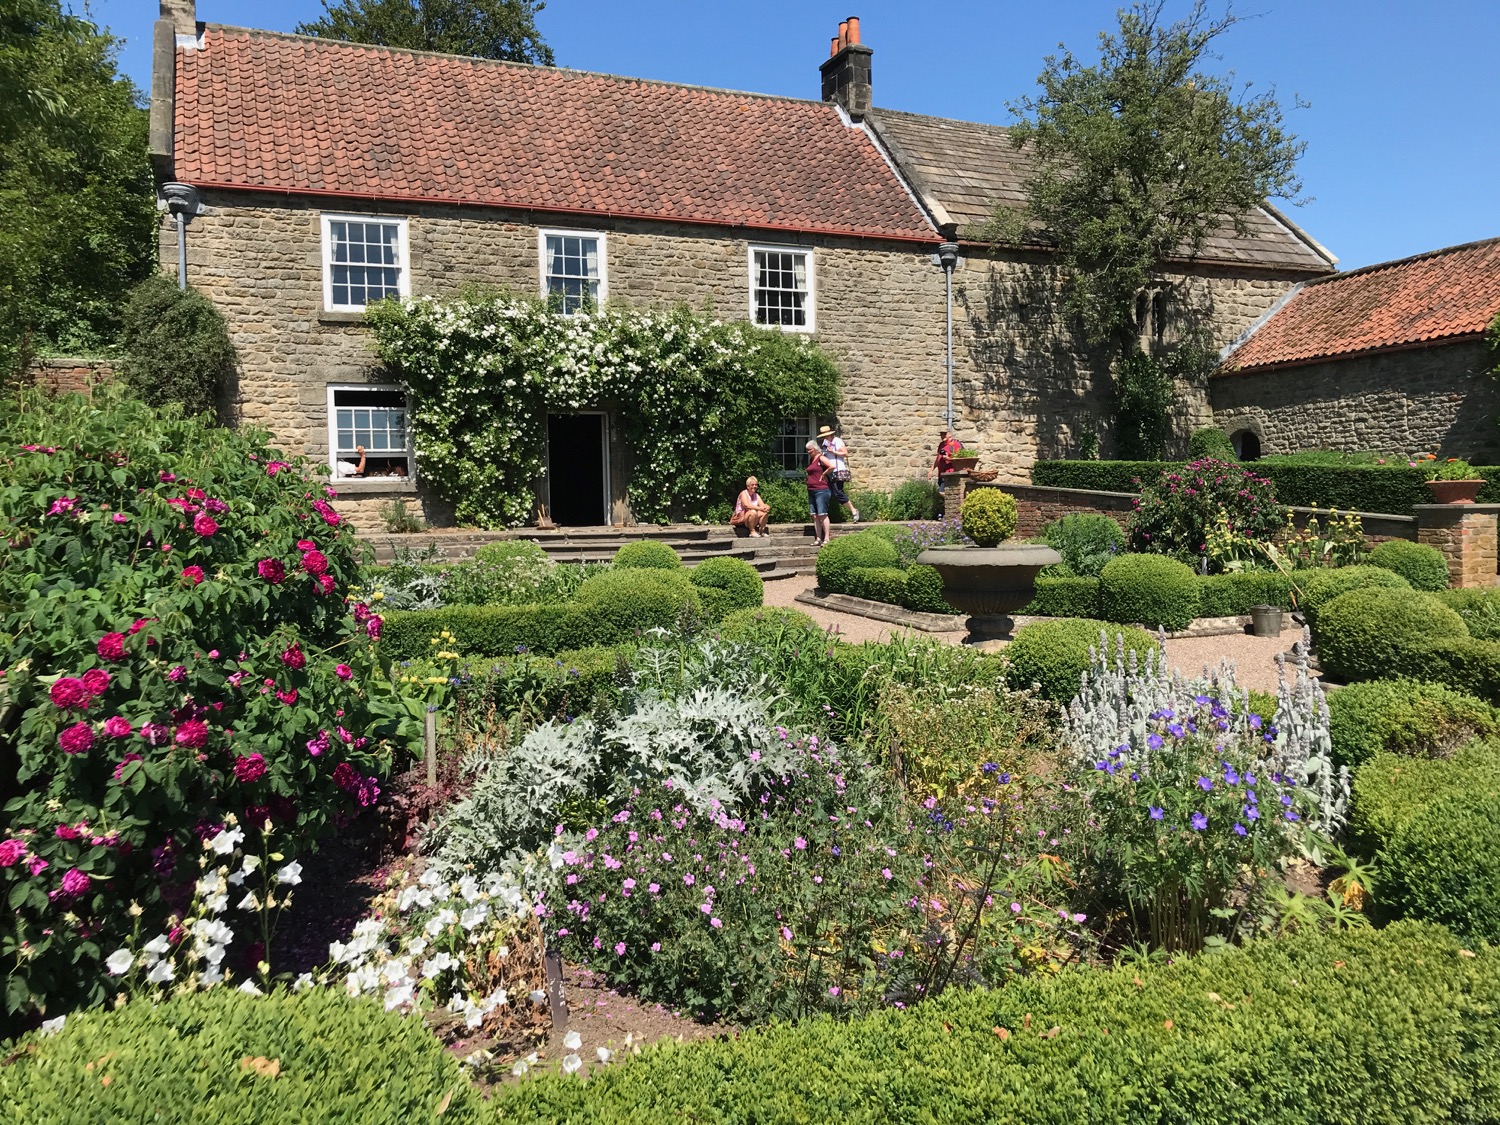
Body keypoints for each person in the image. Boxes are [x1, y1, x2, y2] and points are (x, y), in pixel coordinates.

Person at [817, 423, 860, 523]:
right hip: (829, 471)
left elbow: (845, 453)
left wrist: (834, 452)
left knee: (838, 492)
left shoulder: (837, 441)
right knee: (827, 492)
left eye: (825, 436)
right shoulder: (825, 443)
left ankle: (854, 510)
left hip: (838, 470)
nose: (824, 438)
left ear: (830, 434)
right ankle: (824, 516)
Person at [805, 439, 835, 546]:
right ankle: (818, 538)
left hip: (821, 490)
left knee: (822, 514)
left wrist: (824, 474)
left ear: (815, 448)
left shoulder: (820, 457)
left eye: (810, 450)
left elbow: (832, 466)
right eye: (807, 450)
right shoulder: (812, 460)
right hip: (811, 490)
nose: (808, 452)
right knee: (815, 515)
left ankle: (826, 538)